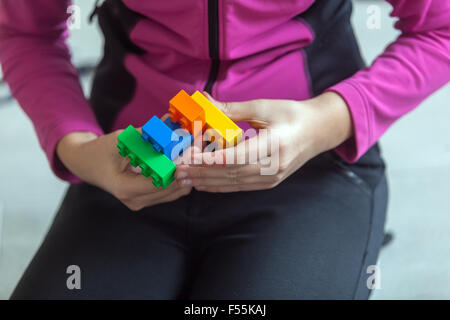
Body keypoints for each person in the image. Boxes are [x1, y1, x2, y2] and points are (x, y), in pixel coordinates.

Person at [0, 0, 448, 299]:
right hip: (128, 169)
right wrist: (77, 148)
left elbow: (440, 29)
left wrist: (330, 120)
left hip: (312, 167)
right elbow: (24, 32)